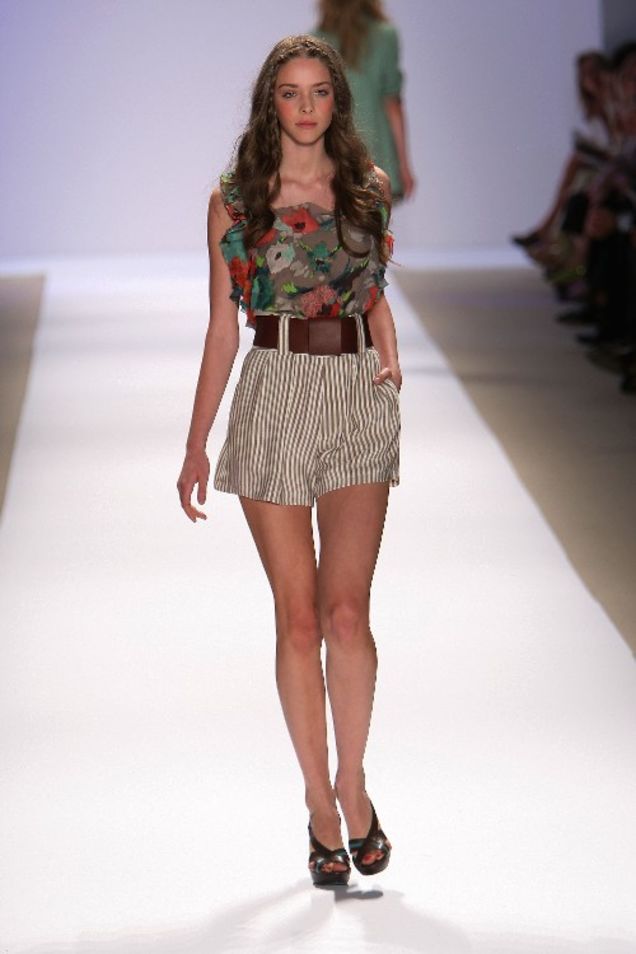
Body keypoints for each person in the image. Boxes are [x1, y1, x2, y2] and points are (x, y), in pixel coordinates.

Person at [176, 34, 401, 887]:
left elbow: (373, 295)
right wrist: (196, 443)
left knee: (347, 615)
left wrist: (389, 357)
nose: (306, 108)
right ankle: (318, 805)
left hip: (354, 395)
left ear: (337, 100)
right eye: (290, 93)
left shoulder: (367, 189)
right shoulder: (234, 199)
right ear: (270, 103)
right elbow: (221, 329)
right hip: (272, 393)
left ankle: (353, 782)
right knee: (298, 621)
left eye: (319, 93)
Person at [313, 0, 415, 201]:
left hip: (334, 151)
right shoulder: (385, 36)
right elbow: (392, 103)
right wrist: (403, 165)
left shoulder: (316, 40)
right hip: (379, 151)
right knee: (376, 218)